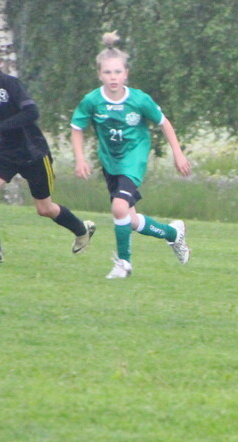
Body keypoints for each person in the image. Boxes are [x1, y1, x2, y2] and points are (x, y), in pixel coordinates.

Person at [0, 34, 95, 267]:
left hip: (33, 152)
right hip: (7, 153)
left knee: (44, 209)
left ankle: (81, 229)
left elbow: (31, 113)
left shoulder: (10, 84)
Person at [71, 32, 191, 280]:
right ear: (99, 74)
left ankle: (123, 264)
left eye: (117, 72)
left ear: (126, 73)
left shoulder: (139, 100)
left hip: (133, 160)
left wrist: (178, 154)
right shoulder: (92, 101)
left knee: (118, 208)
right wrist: (80, 159)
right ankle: (173, 234)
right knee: (130, 220)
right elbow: (77, 128)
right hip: (110, 162)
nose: (113, 77)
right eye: (107, 72)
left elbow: (164, 123)